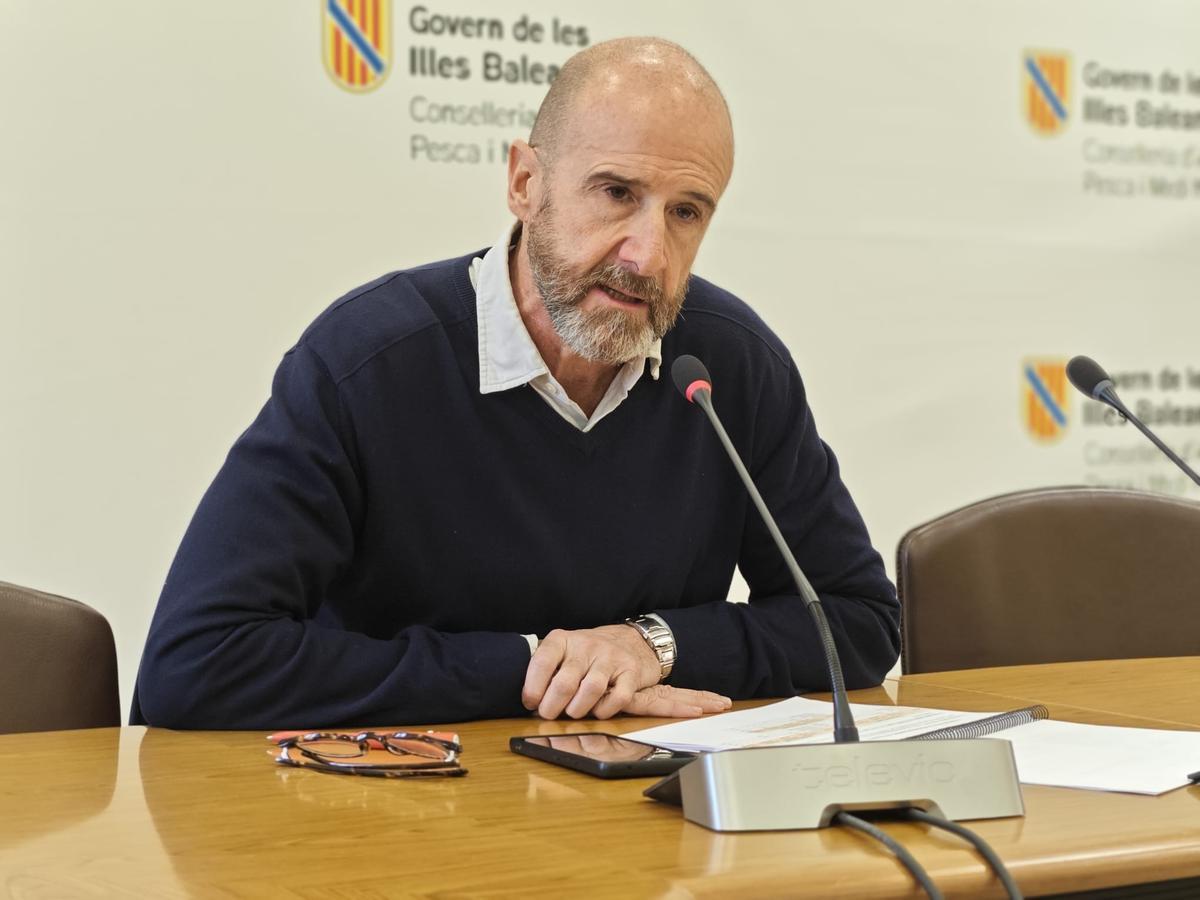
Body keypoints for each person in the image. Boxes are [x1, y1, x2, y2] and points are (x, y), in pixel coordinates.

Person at [132, 37, 899, 730]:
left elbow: (859, 623)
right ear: (525, 182)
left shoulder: (727, 367)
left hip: (647, 839)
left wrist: (653, 645)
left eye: (686, 212)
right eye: (616, 193)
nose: (646, 253)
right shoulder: (370, 360)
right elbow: (198, 662)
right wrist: (532, 669)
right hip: (392, 818)